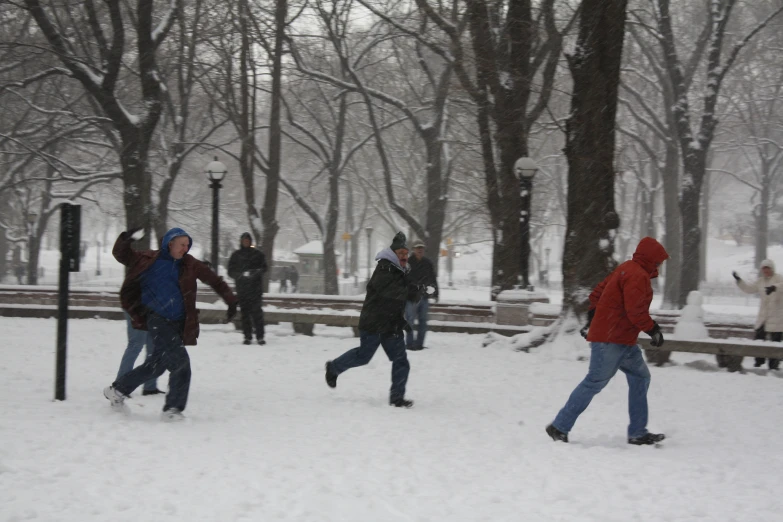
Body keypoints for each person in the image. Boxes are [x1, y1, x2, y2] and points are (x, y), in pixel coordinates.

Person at [103, 227, 238, 421]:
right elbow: (121, 254)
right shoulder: (148, 259)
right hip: (156, 319)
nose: (185, 248)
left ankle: (117, 390)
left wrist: (231, 300)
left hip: (178, 322)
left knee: (156, 365)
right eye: (182, 244)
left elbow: (215, 280)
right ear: (170, 243)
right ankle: (172, 410)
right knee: (181, 363)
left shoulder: (190, 264)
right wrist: (126, 238)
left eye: (188, 245)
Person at [546, 237, 669, 445]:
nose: (660, 265)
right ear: (651, 259)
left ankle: (638, 433)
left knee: (641, 377)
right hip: (611, 340)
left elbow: (597, 293)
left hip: (622, 339)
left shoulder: (626, 268)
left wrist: (594, 320)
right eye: (659, 261)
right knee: (594, 382)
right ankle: (559, 426)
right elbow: (635, 311)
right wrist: (653, 329)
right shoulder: (637, 275)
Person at [324, 231, 420, 408]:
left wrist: (416, 292)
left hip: (391, 324)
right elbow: (389, 294)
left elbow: (400, 297)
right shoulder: (384, 269)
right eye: (401, 254)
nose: (405, 257)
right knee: (363, 356)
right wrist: (410, 293)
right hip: (374, 323)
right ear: (393, 254)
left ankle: (397, 398)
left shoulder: (401, 272)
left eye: (406, 254)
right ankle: (333, 368)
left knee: (401, 360)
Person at [732, 259, 783, 370]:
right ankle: (759, 362)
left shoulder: (778, 278)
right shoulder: (760, 281)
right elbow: (749, 289)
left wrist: (774, 288)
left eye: (768, 268)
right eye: (764, 269)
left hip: (777, 317)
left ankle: (773, 365)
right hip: (763, 316)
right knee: (759, 339)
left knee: (775, 343)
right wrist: (739, 280)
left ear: (772, 269)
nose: (766, 271)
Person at [227, 232, 268, 345]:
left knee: (257, 314)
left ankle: (260, 336)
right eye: (244, 240)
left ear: (250, 242)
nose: (245, 242)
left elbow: (264, 268)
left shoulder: (258, 254)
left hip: (255, 289)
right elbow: (230, 271)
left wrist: (255, 273)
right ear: (241, 241)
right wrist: (240, 275)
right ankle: (247, 336)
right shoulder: (236, 255)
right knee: (245, 314)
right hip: (242, 289)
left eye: (247, 240)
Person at [115, 312, 163, 396]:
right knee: (136, 345)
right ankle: (120, 385)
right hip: (137, 308)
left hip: (151, 310)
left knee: (153, 348)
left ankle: (150, 387)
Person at [405, 240, 438, 350]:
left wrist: (436, 292)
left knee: (423, 321)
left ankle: (419, 344)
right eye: (418, 248)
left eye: (422, 248)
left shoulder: (427, 263)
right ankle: (409, 344)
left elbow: (433, 278)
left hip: (424, 297)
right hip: (411, 297)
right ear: (413, 249)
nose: (420, 250)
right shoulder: (407, 263)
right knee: (410, 321)